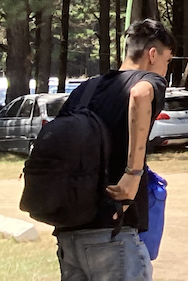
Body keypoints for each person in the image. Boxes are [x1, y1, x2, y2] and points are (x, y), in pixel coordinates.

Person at [54, 19, 174, 281]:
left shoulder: (86, 89)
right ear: (152, 54)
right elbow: (140, 94)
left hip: (69, 235)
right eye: (167, 61)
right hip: (112, 233)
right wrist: (133, 173)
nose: (166, 70)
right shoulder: (148, 80)